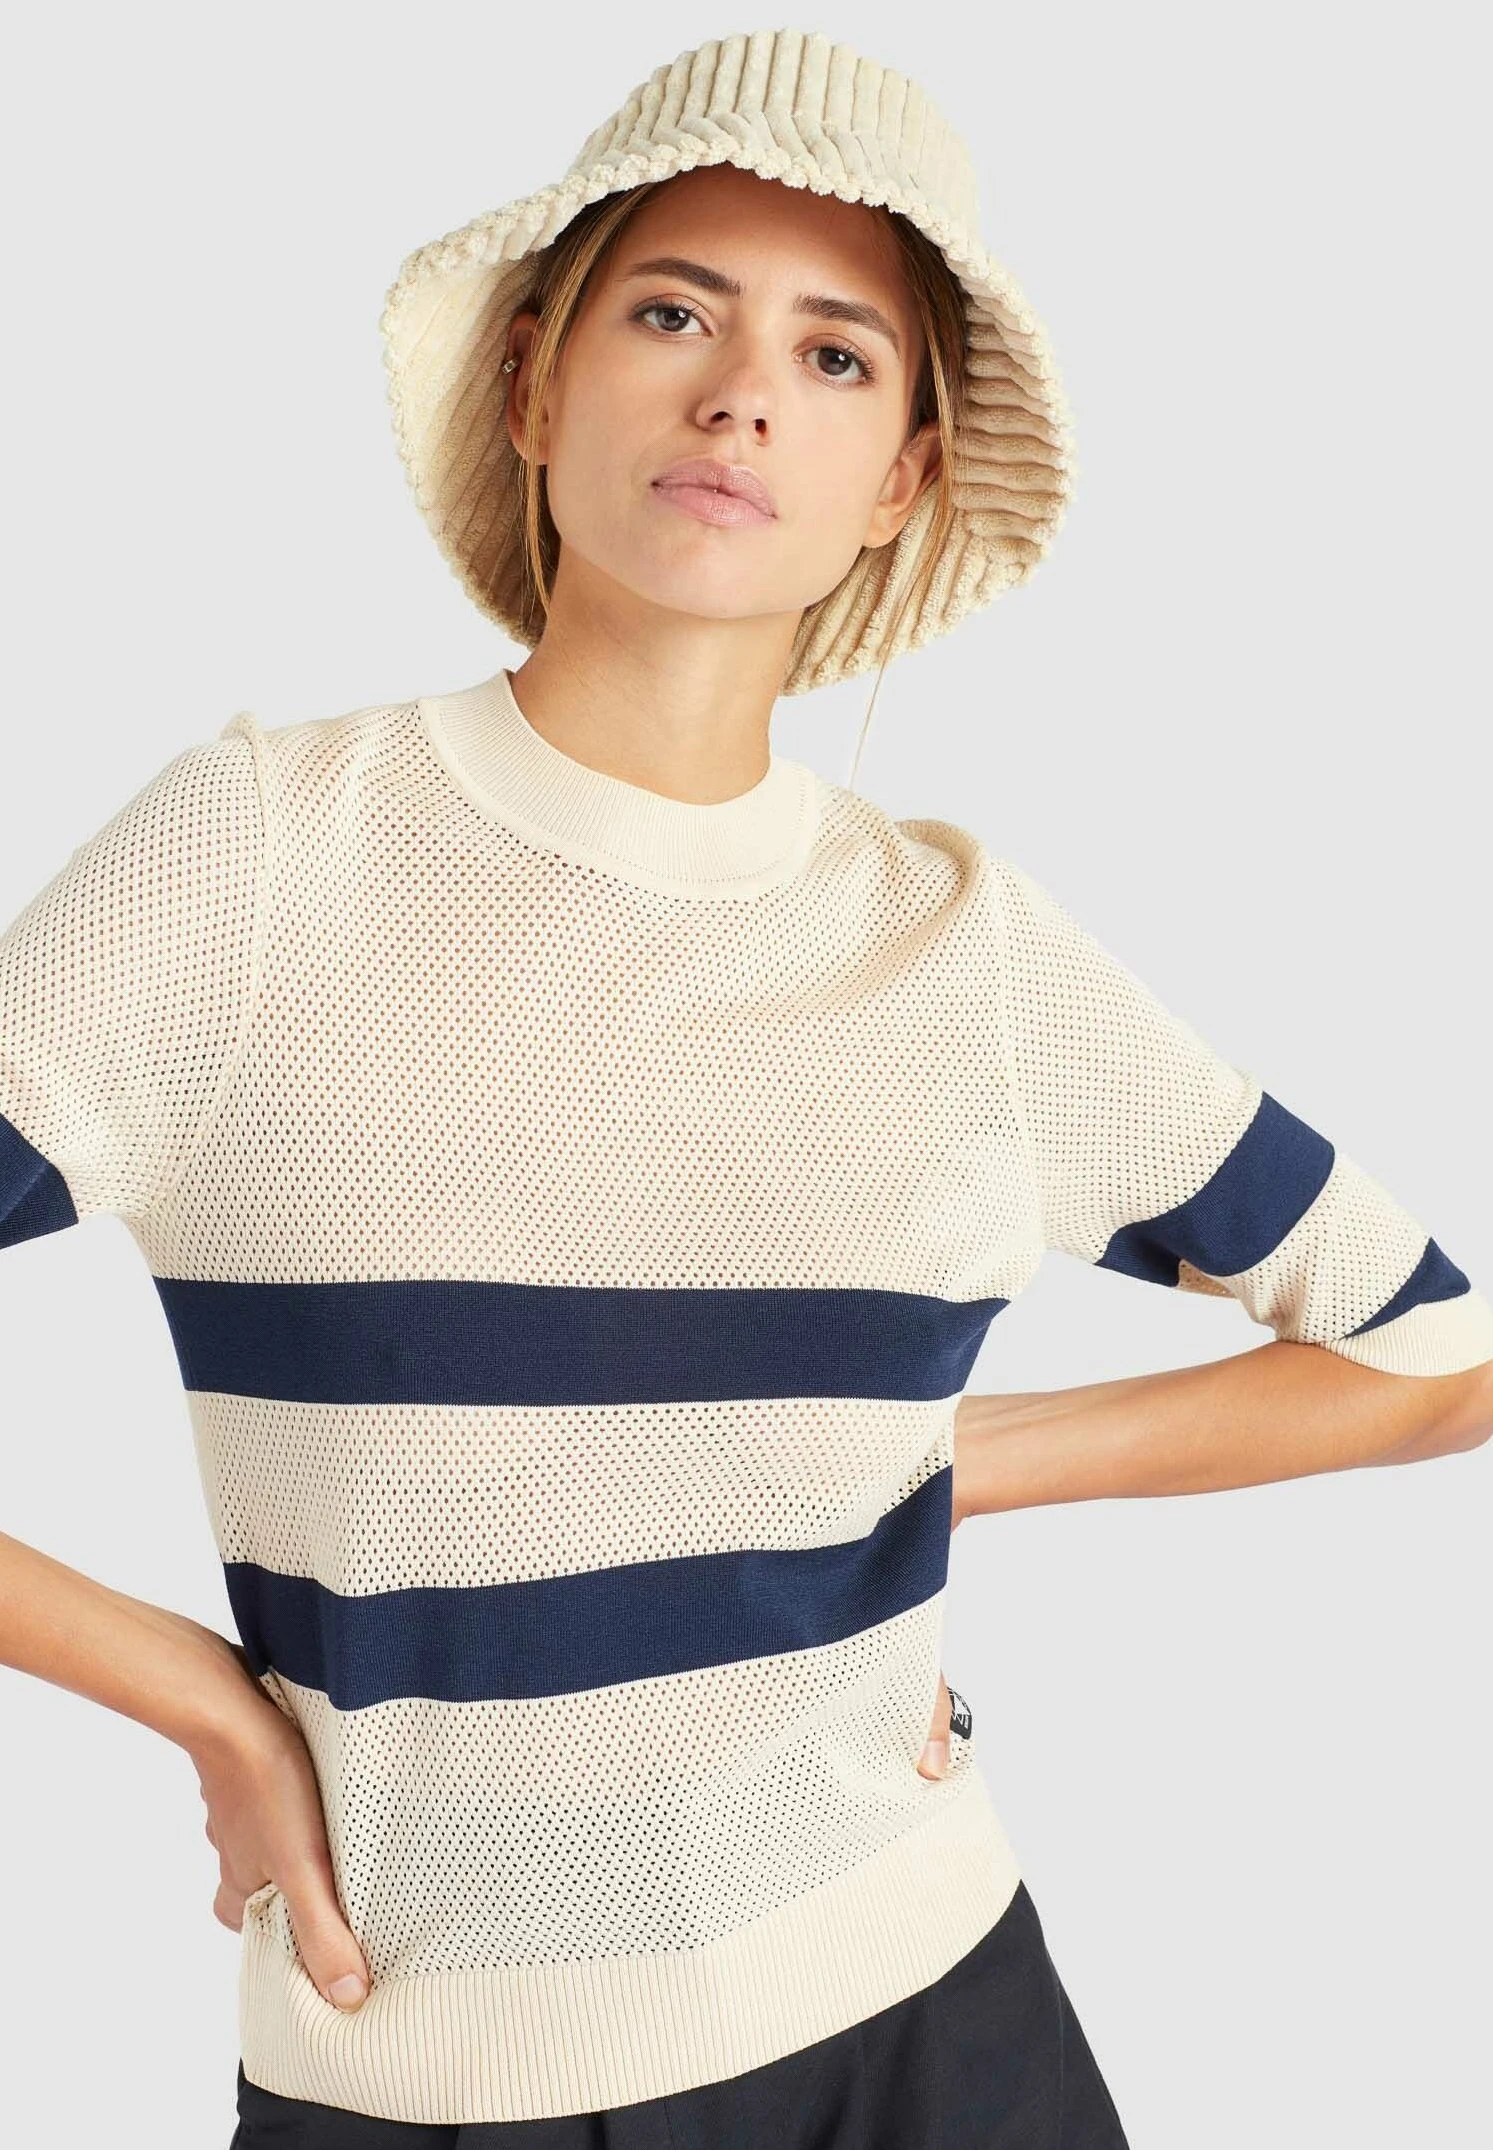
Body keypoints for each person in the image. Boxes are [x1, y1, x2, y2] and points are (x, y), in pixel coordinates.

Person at [3, 26, 1491, 2149]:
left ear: (898, 480)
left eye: (834, 355)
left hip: (924, 2014)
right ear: (534, 382)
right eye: (673, 313)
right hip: (424, 2071)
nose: (740, 398)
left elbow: (1434, 1353)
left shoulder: (962, 951)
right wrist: (200, 1705)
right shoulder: (256, 864)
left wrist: (936, 1461)